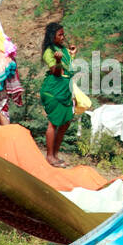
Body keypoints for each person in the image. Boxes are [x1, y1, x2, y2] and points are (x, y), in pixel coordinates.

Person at [39, 22, 76, 166]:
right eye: (59, 34)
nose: (63, 37)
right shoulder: (49, 51)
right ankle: (49, 156)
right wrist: (59, 60)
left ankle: (55, 154)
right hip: (53, 90)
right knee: (53, 123)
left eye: (63, 34)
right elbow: (56, 71)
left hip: (65, 89)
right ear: (52, 36)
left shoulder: (64, 50)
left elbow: (68, 69)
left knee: (65, 122)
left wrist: (71, 55)